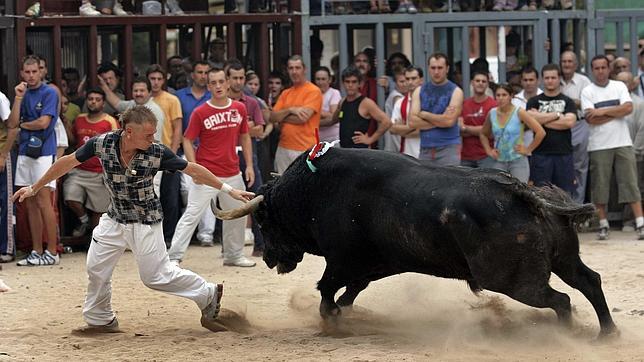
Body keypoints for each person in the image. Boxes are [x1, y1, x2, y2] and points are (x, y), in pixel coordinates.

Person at [12, 105, 253, 332]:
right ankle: (101, 319)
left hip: (145, 221)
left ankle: (207, 293)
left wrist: (229, 190)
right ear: (128, 132)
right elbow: (67, 161)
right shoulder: (102, 143)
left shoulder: (157, 152)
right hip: (115, 218)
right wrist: (34, 188)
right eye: (148, 135)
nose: (152, 139)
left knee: (156, 277)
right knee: (96, 268)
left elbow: (192, 169)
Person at [168, 68, 256, 267]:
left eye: (220, 82)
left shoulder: (239, 108)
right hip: (207, 174)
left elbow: (245, 136)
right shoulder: (201, 112)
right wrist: (194, 168)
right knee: (192, 214)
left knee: (238, 213)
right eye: (213, 83)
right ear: (208, 87)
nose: (217, 86)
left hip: (233, 171)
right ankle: (173, 257)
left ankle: (234, 255)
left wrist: (249, 165)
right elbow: (187, 139)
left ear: (227, 83)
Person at [581, 55, 644, 240]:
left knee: (630, 183)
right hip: (599, 144)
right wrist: (615, 111)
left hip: (623, 142)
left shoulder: (619, 86)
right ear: (592, 70)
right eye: (597, 68)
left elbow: (628, 109)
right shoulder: (587, 91)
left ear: (609, 69)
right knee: (600, 186)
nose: (600, 71)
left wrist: (601, 111)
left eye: (603, 67)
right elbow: (590, 118)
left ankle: (640, 222)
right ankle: (603, 224)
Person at [8, 55, 60, 266]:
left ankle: (52, 251)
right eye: (27, 72)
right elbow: (12, 123)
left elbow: (43, 123)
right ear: (22, 73)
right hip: (25, 151)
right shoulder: (23, 92)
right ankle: (36, 251)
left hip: (44, 153)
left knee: (43, 201)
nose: (30, 76)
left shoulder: (50, 92)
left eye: (34, 71)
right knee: (28, 201)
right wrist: (18, 99)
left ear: (41, 71)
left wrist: (23, 125)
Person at [64, 88, 119, 237]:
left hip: (99, 172)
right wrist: (65, 122)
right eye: (90, 99)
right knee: (70, 197)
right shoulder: (80, 119)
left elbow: (117, 147)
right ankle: (84, 220)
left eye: (97, 99)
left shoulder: (110, 121)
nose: (93, 102)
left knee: (98, 211)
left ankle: (95, 242)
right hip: (79, 170)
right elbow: (73, 141)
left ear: (103, 103)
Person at [226, 60, 266, 256]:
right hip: (227, 153)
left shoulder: (252, 102)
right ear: (227, 79)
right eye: (235, 77)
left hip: (249, 153)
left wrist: (240, 130)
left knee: (256, 197)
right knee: (227, 198)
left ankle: (260, 244)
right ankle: (229, 247)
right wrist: (246, 129)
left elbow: (260, 130)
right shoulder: (219, 102)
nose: (239, 81)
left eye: (242, 77)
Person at [525, 64, 577, 195]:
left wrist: (540, 119)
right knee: (541, 195)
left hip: (564, 153)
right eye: (547, 77)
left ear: (559, 78)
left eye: (553, 77)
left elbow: (569, 122)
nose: (550, 80)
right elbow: (531, 122)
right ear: (542, 80)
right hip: (540, 154)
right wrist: (557, 115)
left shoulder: (568, 101)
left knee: (564, 195)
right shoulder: (533, 101)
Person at [146, 64, 184, 245]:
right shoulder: (143, 100)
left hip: (167, 153)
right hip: (147, 156)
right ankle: (153, 236)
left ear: (164, 80)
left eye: (159, 79)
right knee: (151, 196)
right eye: (152, 79)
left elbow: (178, 128)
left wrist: (174, 155)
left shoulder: (171, 99)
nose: (155, 82)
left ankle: (168, 237)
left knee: (170, 197)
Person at [479, 83, 545, 183]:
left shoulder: (519, 112)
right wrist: (488, 150)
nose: (501, 98)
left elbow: (540, 132)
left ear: (511, 96)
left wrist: (528, 149)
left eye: (504, 95)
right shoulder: (492, 113)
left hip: (518, 160)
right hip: (499, 160)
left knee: (519, 193)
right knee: (499, 193)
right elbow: (483, 133)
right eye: (498, 95)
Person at [269, 55, 323, 173]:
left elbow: (302, 119)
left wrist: (282, 117)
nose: (294, 72)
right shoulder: (286, 93)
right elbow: (272, 117)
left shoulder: (313, 91)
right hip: (283, 147)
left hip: (305, 149)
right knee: (282, 187)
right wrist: (290, 110)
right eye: (291, 68)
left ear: (304, 69)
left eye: (297, 68)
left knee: (304, 188)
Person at [409, 53, 464, 166]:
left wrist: (424, 114)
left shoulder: (456, 91)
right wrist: (441, 119)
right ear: (428, 69)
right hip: (425, 148)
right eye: (433, 68)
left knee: (449, 182)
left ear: (447, 69)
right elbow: (412, 122)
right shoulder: (419, 90)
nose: (436, 72)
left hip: (448, 148)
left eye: (440, 68)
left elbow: (449, 121)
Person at [324, 65, 391, 149]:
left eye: (354, 82)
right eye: (347, 82)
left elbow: (387, 122)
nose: (350, 85)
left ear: (359, 84)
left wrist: (370, 139)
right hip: (344, 151)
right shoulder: (342, 102)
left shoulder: (366, 103)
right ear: (343, 83)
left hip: (360, 152)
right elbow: (334, 120)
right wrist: (316, 123)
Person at [560, 50, 592, 204]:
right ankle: (564, 205)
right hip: (558, 127)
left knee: (580, 167)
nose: (566, 64)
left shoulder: (584, 81)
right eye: (564, 61)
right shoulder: (555, 79)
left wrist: (565, 101)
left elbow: (587, 103)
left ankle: (578, 204)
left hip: (580, 125)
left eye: (569, 61)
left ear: (576, 64)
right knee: (563, 166)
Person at [459, 71, 498, 168]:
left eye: (483, 81)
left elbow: (490, 132)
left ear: (488, 85)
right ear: (472, 83)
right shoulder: (465, 104)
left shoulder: (493, 105)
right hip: (466, 157)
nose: (480, 83)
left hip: (486, 156)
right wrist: (481, 130)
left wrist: (466, 128)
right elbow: (459, 129)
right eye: (477, 81)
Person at [388, 66, 424, 158]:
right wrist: (414, 127)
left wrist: (402, 129)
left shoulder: (429, 102)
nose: (410, 82)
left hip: (426, 154)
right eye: (407, 79)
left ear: (421, 80)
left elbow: (425, 130)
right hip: (406, 154)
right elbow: (392, 129)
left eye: (414, 78)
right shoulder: (400, 103)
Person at [0, 91, 18, 263]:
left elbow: (13, 128)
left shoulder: (0, 98)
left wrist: (3, 155)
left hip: (1, 154)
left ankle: (7, 248)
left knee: (6, 201)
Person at [314, 67, 342, 143]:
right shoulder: (312, 94)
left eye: (323, 79)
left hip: (333, 139)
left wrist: (315, 113)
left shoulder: (334, 93)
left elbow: (333, 117)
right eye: (318, 79)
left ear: (330, 80)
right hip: (317, 139)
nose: (320, 82)